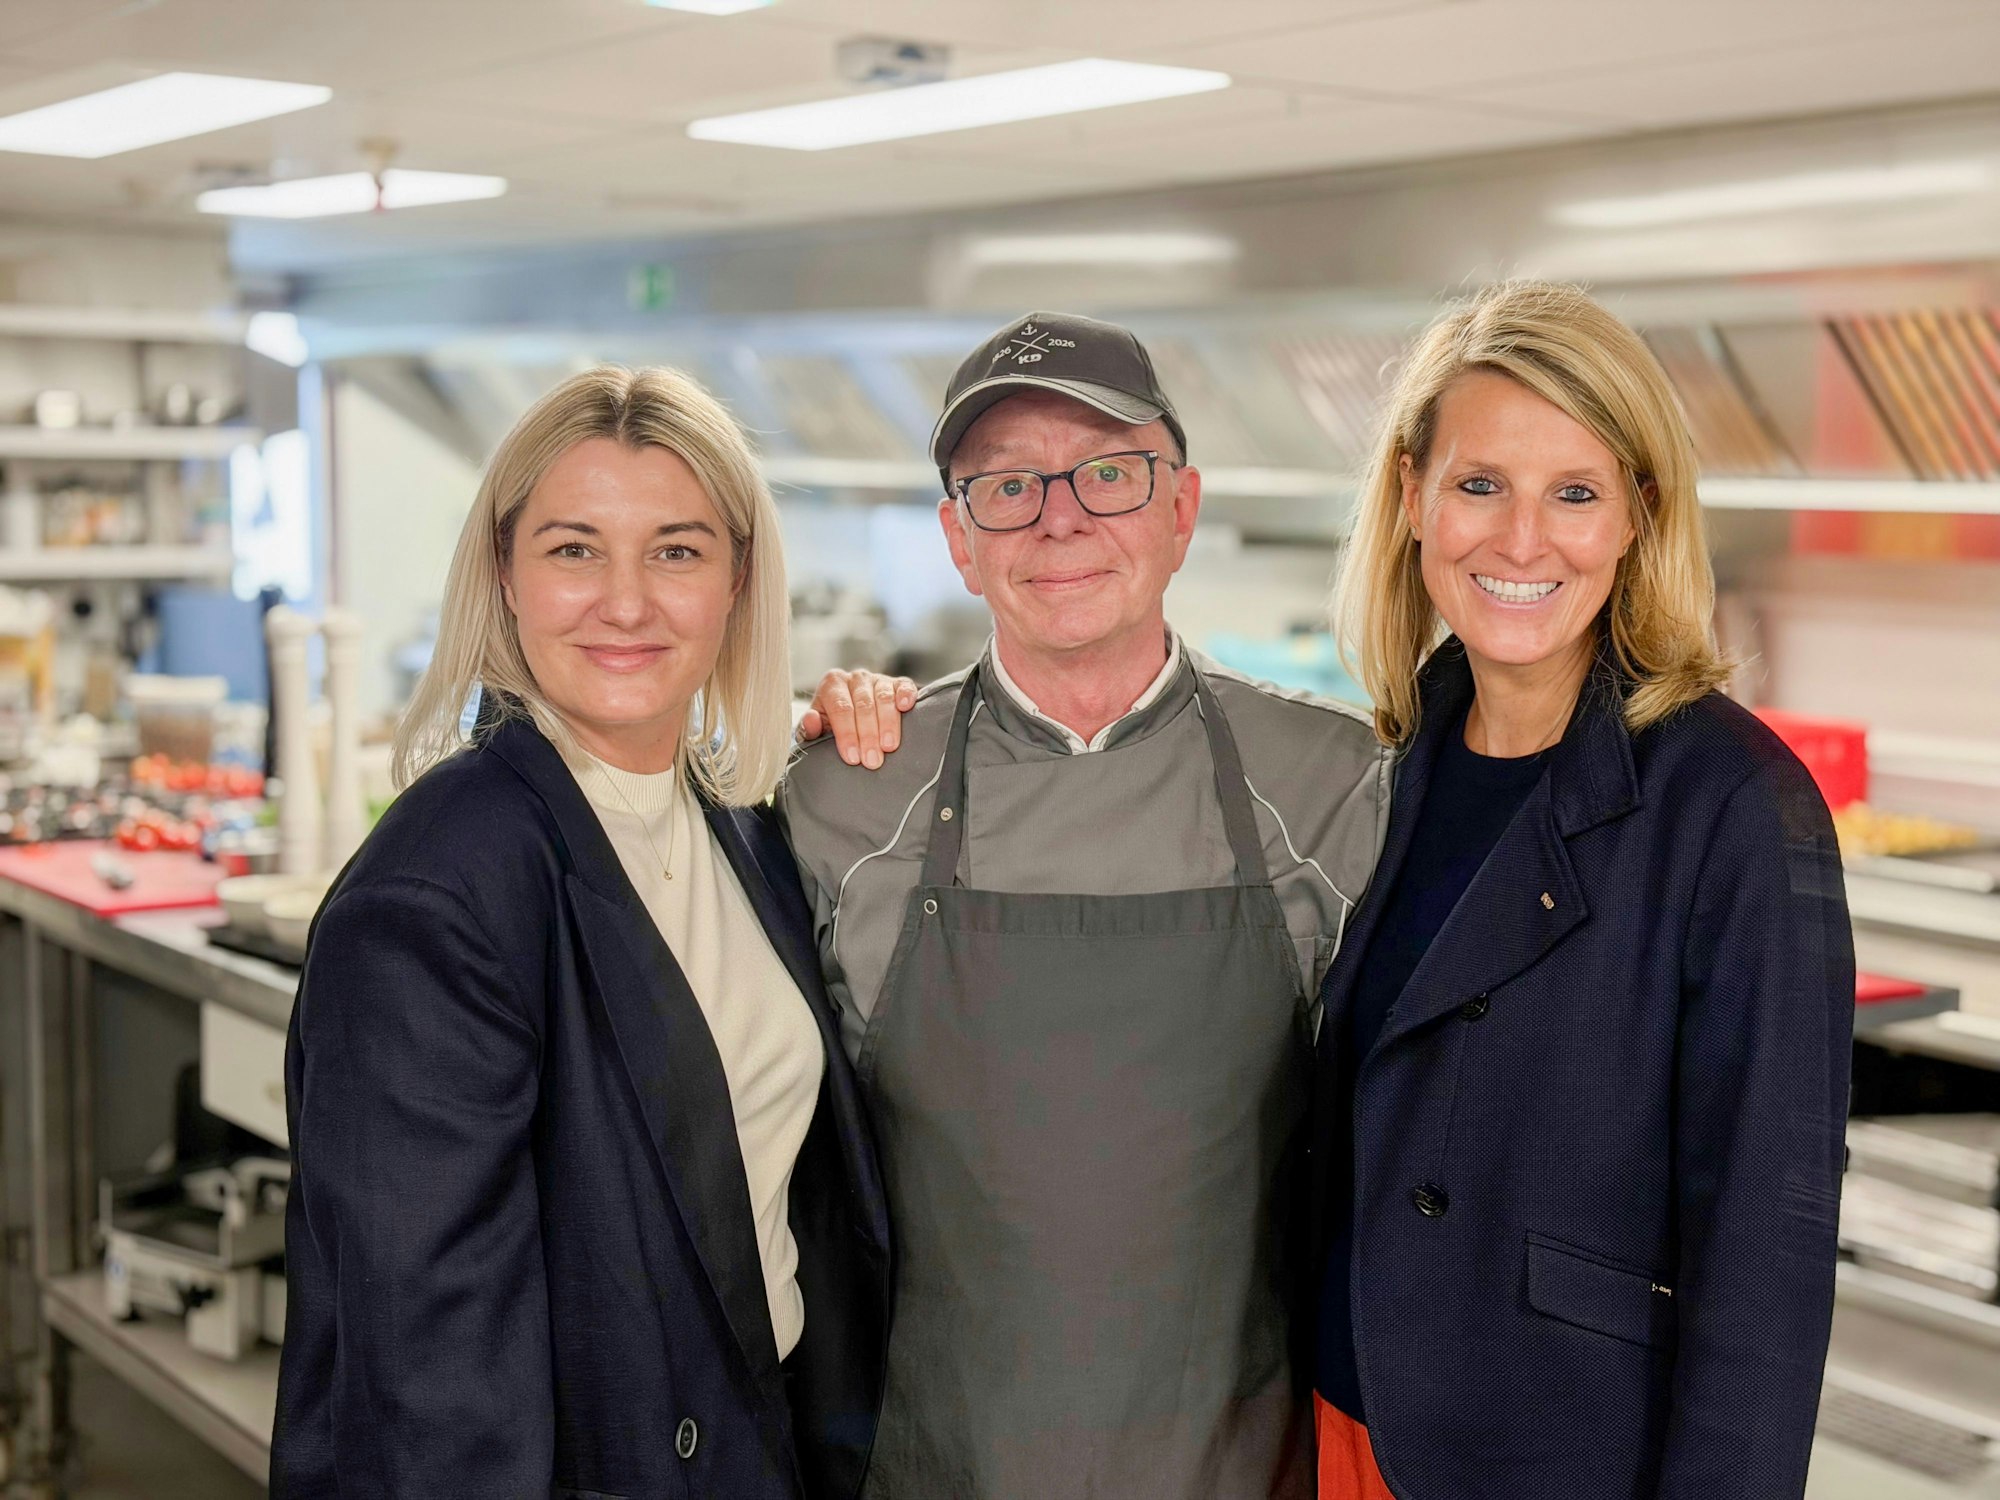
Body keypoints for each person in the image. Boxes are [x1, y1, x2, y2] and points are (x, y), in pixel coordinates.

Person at [780, 311, 1392, 1500]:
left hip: (1239, 1465)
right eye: (1006, 487)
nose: (1060, 517)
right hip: (928, 1466)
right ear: (958, 540)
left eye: (1108, 474)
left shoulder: (1336, 786)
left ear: (1181, 507)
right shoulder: (846, 801)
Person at [273, 367, 888, 1500]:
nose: (625, 602)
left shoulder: (736, 830)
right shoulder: (438, 892)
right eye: (572, 550)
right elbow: (429, 1380)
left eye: (676, 550)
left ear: (736, 581)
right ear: (504, 572)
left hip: (753, 1441)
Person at [1311, 281, 1852, 1499]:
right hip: (1336, 1426)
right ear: (1410, 500)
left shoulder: (1729, 803)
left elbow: (1766, 1246)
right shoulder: (1388, 763)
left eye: (1572, 493)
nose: (1518, 541)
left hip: (1547, 1444)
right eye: (1476, 485)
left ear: (1633, 518)